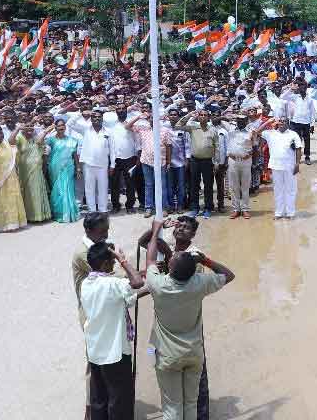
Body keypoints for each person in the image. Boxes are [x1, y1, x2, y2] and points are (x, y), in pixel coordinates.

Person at [142, 217, 236, 420]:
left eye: (187, 228)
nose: (181, 229)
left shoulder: (180, 266)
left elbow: (149, 258)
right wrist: (163, 242)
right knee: (189, 403)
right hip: (191, 340)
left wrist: (156, 228)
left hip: (167, 344)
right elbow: (227, 275)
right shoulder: (197, 276)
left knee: (172, 406)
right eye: (180, 226)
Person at [80, 240, 144, 420]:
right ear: (106, 263)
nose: (115, 264)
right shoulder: (112, 284)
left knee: (99, 400)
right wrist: (124, 261)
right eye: (113, 261)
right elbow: (137, 282)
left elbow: (125, 295)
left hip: (96, 351)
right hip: (115, 353)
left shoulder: (87, 283)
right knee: (119, 402)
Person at [0, 126, 27, 232]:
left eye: (1, 133)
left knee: (11, 199)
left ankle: (13, 223)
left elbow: (12, 139)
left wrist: (17, 129)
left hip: (10, 178)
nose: (0, 135)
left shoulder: (7, 144)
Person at [218, 109, 261, 219]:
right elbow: (215, 121)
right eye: (238, 120)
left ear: (246, 121)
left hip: (246, 161)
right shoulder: (230, 128)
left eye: (242, 120)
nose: (240, 122)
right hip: (233, 160)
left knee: (245, 186)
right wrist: (227, 117)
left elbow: (255, 147)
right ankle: (236, 209)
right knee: (234, 186)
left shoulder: (251, 131)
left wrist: (255, 162)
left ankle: (245, 209)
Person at [177, 109, 218, 217]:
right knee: (194, 185)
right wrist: (190, 115)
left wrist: (217, 162)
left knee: (208, 186)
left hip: (208, 161)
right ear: (198, 117)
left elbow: (217, 146)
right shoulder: (193, 127)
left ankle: (208, 208)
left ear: (208, 117)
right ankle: (194, 208)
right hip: (194, 160)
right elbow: (178, 125)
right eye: (201, 115)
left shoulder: (213, 130)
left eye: (205, 115)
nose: (203, 117)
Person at [262, 118, 303, 219]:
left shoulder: (293, 134)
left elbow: (298, 149)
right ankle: (279, 213)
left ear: (288, 124)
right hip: (276, 166)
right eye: (280, 121)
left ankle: (290, 213)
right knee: (278, 190)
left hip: (290, 166)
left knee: (291, 189)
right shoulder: (270, 133)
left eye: (284, 121)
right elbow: (256, 132)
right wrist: (268, 122)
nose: (281, 122)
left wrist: (297, 164)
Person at [16, 118, 52, 223]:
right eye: (27, 126)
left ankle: (38, 216)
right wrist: (18, 129)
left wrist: (45, 132)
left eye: (31, 126)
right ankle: (27, 216)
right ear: (22, 128)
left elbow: (40, 142)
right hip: (23, 170)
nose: (29, 128)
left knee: (36, 190)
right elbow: (10, 141)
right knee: (27, 193)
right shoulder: (19, 138)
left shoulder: (35, 138)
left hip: (36, 170)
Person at [47, 120, 82, 223]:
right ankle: (58, 213)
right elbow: (44, 152)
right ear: (55, 128)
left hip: (68, 168)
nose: (61, 127)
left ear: (65, 127)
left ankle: (68, 213)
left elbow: (75, 156)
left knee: (68, 190)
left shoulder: (72, 140)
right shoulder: (50, 140)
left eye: (63, 125)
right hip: (55, 169)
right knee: (57, 191)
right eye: (58, 126)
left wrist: (78, 168)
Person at [79, 114, 115, 213]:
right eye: (94, 117)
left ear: (102, 119)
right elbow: (70, 123)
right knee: (89, 189)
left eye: (99, 117)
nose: (97, 118)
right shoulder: (85, 130)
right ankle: (92, 210)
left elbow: (112, 149)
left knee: (103, 189)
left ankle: (103, 210)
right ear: (91, 119)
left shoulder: (108, 132)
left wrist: (112, 165)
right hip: (88, 164)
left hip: (103, 165)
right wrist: (82, 112)